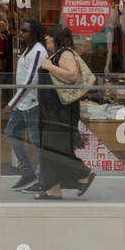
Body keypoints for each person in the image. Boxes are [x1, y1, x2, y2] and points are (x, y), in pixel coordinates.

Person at [34, 24, 95, 199]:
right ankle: (53, 189)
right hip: (52, 109)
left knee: (54, 149)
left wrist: (48, 66)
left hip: (60, 110)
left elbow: (71, 75)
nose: (46, 38)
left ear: (56, 38)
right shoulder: (56, 54)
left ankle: (83, 173)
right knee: (51, 148)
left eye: (49, 35)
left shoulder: (65, 53)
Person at [5, 18, 46, 193]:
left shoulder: (38, 51)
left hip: (32, 104)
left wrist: (10, 104)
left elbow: (30, 80)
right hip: (22, 104)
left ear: (34, 33)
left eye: (24, 31)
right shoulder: (28, 50)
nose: (20, 33)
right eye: (21, 30)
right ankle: (28, 173)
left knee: (37, 143)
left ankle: (43, 180)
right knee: (11, 133)